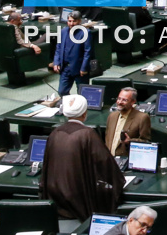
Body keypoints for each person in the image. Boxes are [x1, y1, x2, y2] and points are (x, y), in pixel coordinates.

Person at [40, 95, 125, 225]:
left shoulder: (55, 133)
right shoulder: (87, 134)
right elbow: (105, 163)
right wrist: (118, 181)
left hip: (55, 195)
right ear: (85, 114)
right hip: (78, 199)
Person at [51, 10, 95, 95]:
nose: (71, 24)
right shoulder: (63, 31)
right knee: (62, 91)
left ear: (79, 21)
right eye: (69, 21)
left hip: (79, 68)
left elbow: (87, 52)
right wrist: (56, 62)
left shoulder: (85, 33)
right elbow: (58, 48)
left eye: (74, 21)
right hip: (65, 68)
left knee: (83, 93)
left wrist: (84, 68)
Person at [105, 87, 151, 156]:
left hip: (126, 160)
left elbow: (146, 142)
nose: (119, 102)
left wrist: (130, 141)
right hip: (109, 160)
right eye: (119, 98)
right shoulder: (112, 116)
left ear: (133, 102)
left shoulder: (142, 118)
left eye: (124, 100)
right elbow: (107, 139)